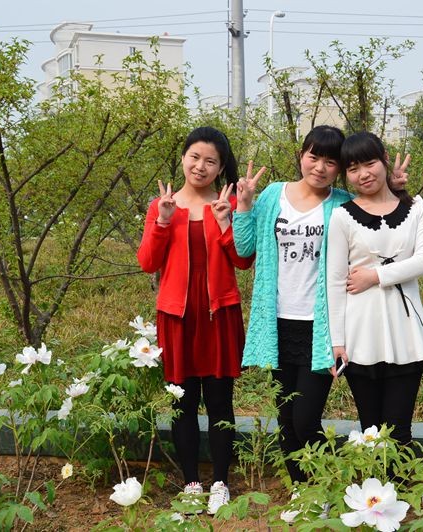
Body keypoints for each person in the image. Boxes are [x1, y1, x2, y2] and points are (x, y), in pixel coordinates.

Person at [136, 126, 265, 515]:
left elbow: (243, 260)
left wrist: (230, 222)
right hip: (176, 318)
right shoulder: (164, 205)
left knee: (221, 404)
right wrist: (161, 221)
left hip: (219, 316)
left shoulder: (225, 205)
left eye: (211, 161)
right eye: (195, 157)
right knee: (183, 404)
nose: (201, 166)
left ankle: (221, 482)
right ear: (183, 157)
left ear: (221, 167)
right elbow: (147, 263)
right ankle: (192, 481)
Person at [233, 126, 351, 496]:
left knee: (306, 418)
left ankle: (332, 477)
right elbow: (244, 248)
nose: (320, 167)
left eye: (330, 162)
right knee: (286, 417)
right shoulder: (272, 195)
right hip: (277, 323)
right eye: (314, 156)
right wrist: (245, 204)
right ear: (301, 155)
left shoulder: (343, 203)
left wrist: (395, 189)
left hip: (321, 327)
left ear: (339, 169)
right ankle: (303, 492)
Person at [327, 131, 423, 448]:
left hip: (406, 331)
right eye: (353, 168)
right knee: (371, 431)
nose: (364, 174)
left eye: (370, 163)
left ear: (385, 160)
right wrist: (337, 342)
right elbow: (335, 281)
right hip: (361, 332)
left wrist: (375, 275)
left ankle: (398, 495)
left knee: (400, 432)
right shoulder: (341, 217)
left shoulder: (417, 208)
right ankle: (373, 495)